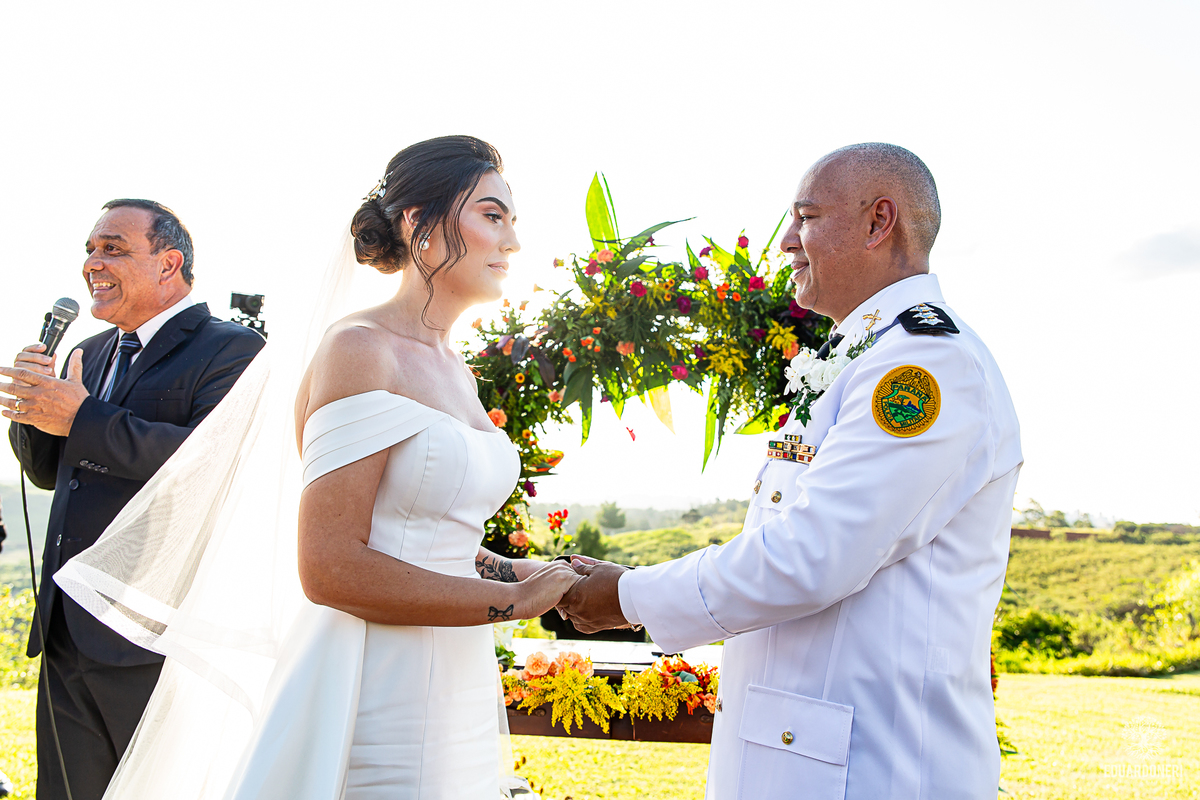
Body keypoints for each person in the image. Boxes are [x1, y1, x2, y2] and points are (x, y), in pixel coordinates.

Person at [51, 136, 579, 800]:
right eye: (492, 216)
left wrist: (518, 572)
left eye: (511, 222)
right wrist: (510, 603)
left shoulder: (456, 370)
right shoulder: (360, 350)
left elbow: (420, 536)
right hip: (374, 684)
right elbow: (329, 564)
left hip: (456, 683)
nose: (512, 242)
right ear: (418, 223)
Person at [562, 143, 1023, 799]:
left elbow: (816, 554)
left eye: (805, 217)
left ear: (877, 222)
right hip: (807, 758)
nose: (785, 243)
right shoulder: (857, 354)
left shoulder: (924, 367)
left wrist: (630, 596)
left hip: (876, 770)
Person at [0, 199, 265, 800]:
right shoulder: (87, 354)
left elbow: (214, 467)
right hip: (67, 625)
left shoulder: (231, 350)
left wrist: (83, 417)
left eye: (113, 248)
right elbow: (48, 473)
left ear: (169, 262)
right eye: (89, 250)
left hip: (156, 630)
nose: (93, 262)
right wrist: (32, 411)